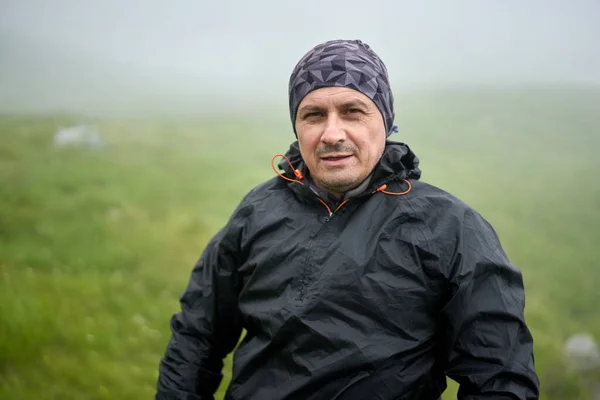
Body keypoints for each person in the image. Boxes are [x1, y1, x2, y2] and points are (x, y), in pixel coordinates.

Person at [155, 39, 540, 400]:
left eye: (353, 112)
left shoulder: (451, 228)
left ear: (385, 122)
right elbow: (196, 337)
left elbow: (500, 377)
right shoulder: (258, 210)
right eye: (313, 115)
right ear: (297, 126)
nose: (331, 133)